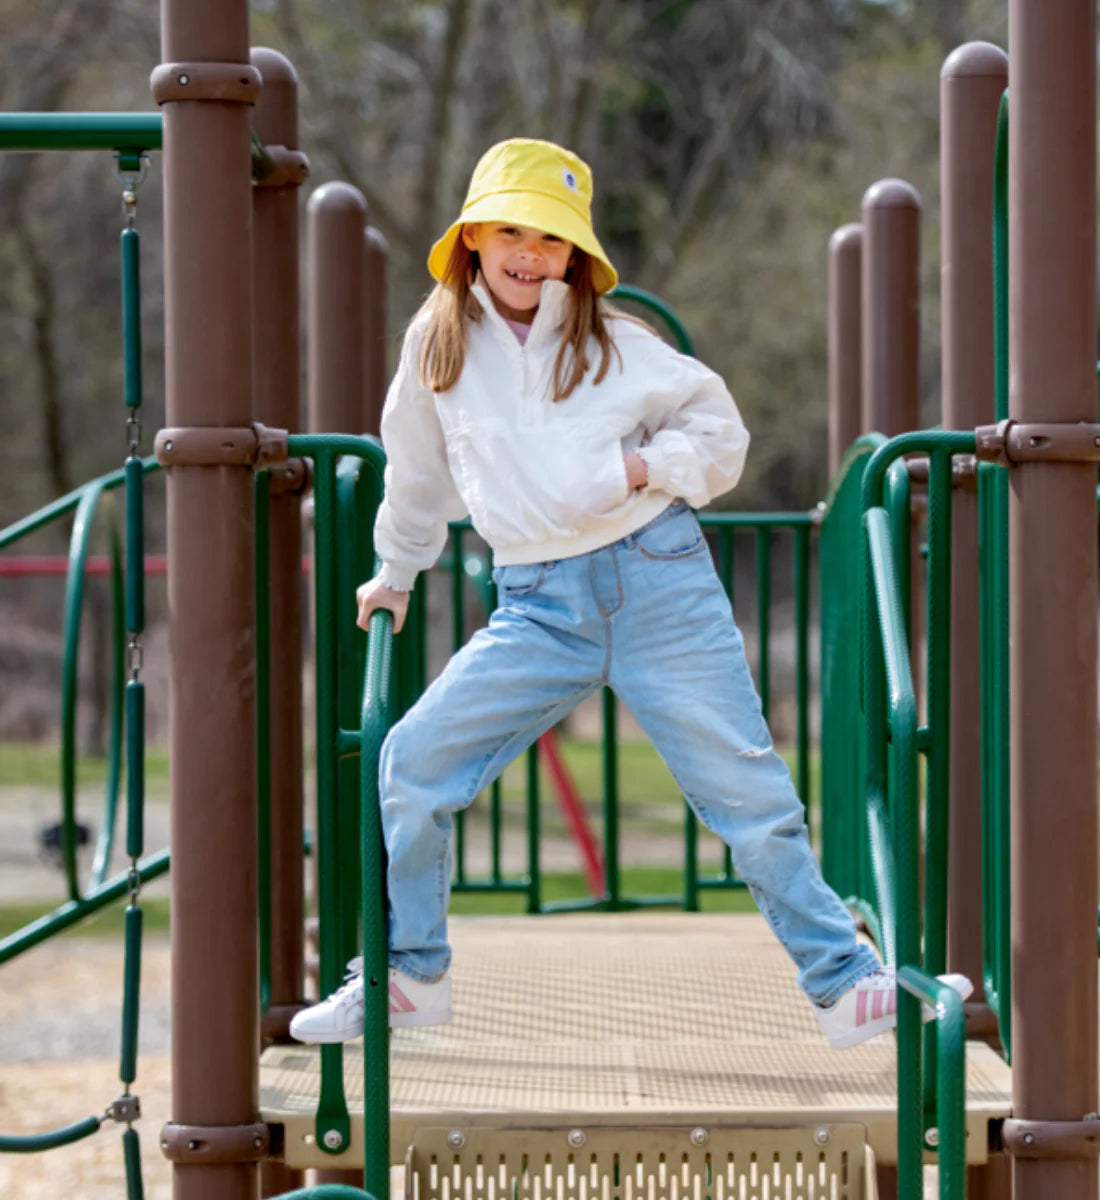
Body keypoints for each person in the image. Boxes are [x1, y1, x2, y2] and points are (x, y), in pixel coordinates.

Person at [289, 137, 970, 1052]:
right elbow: (412, 475)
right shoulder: (436, 344)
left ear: (577, 255)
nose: (530, 254)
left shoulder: (612, 341)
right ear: (474, 237)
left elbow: (722, 431)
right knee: (410, 759)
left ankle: (847, 988)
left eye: (552, 239)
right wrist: (396, 572)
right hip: (535, 604)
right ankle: (411, 973)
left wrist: (641, 464)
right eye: (512, 232)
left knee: (748, 792)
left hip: (658, 582)